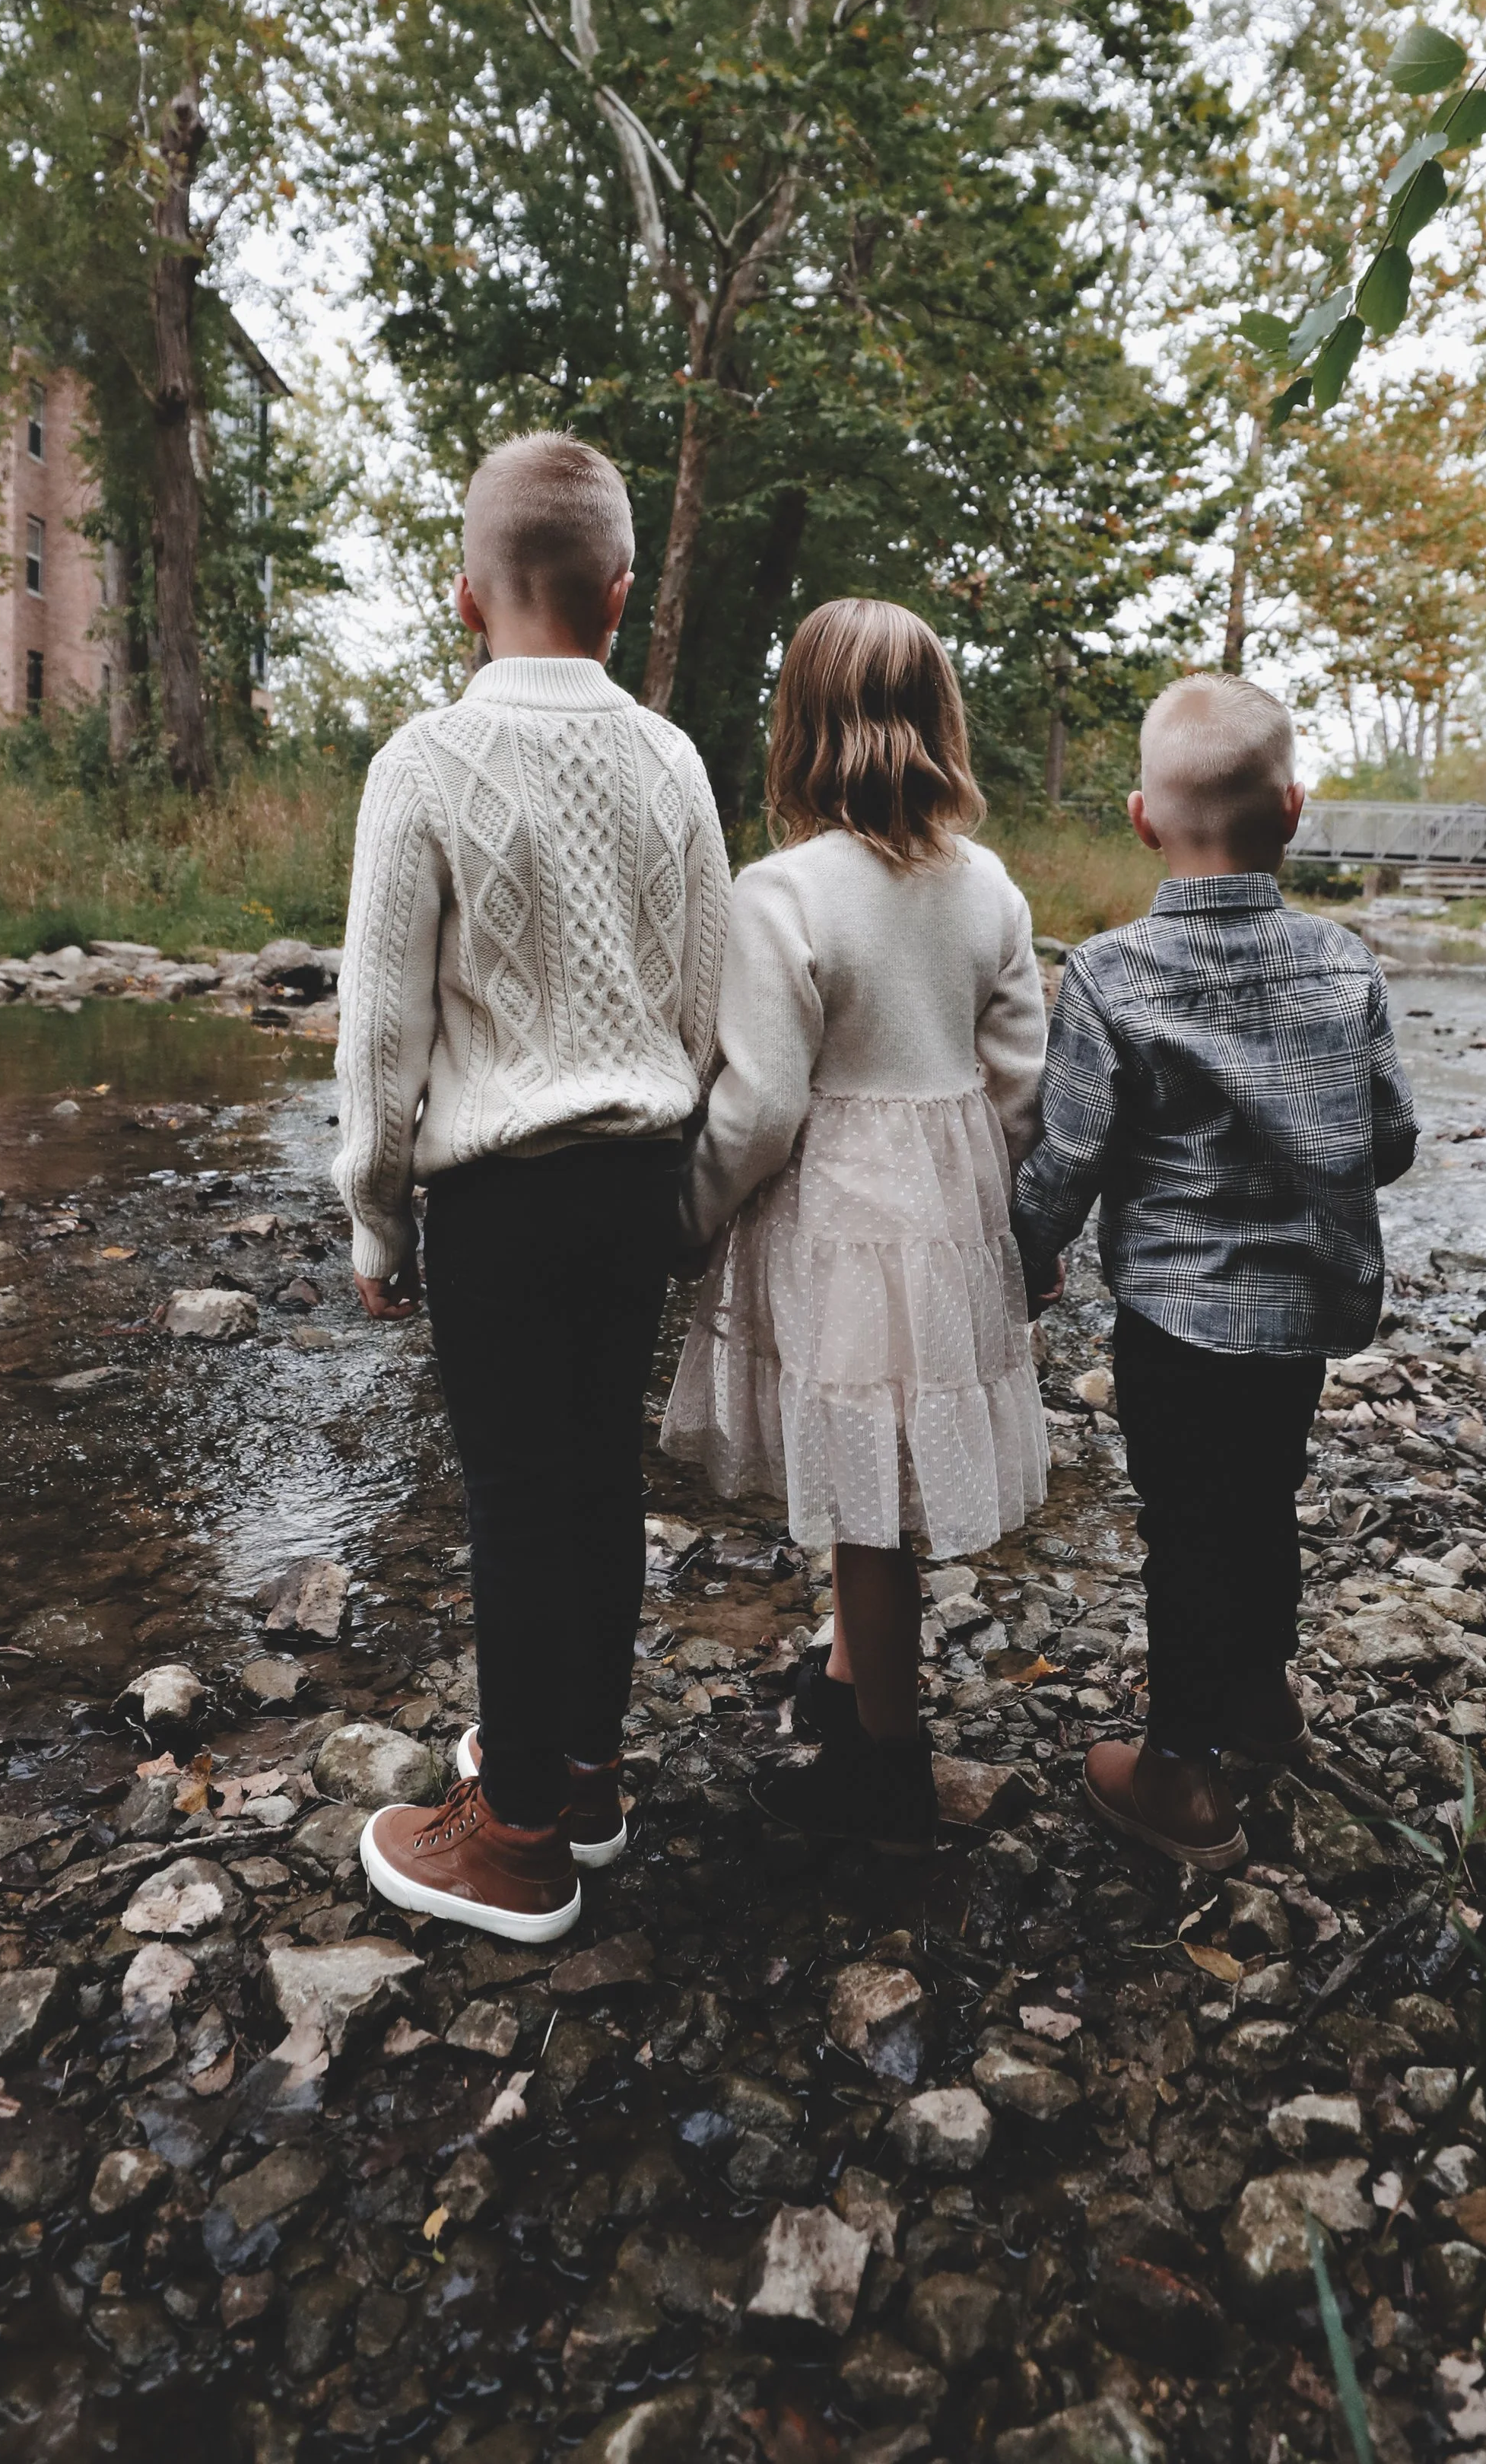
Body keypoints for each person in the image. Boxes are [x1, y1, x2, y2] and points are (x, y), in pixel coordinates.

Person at [333, 432, 731, 1942]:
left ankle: (509, 1844)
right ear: (618, 596)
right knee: (595, 1482)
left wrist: (374, 1209)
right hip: (634, 1178)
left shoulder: (425, 761)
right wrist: (676, 1161)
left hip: (495, 1197)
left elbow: (382, 1028)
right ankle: (583, 1771)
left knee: (513, 1502)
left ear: (462, 601)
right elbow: (701, 1005)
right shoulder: (672, 759)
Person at [1011, 671, 1417, 1872]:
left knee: (1185, 1525)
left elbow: (1068, 1154)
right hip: (1297, 1311)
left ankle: (1181, 1771)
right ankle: (1259, 1697)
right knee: (1262, 1497)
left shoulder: (1110, 973)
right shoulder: (1344, 965)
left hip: (1176, 1318)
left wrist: (1023, 1264)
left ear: (1141, 819)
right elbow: (1389, 1137)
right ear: (1292, 813)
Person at [662, 596, 1048, 1850]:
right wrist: (978, 1201)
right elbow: (1023, 1085)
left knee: (867, 1501)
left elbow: (762, 1105)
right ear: (942, 725)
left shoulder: (780, 893)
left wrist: (688, 1219)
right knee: (890, 1461)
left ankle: (888, 1765)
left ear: (799, 728)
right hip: (944, 1220)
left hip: (835, 1217)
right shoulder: (988, 885)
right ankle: (845, 1679)